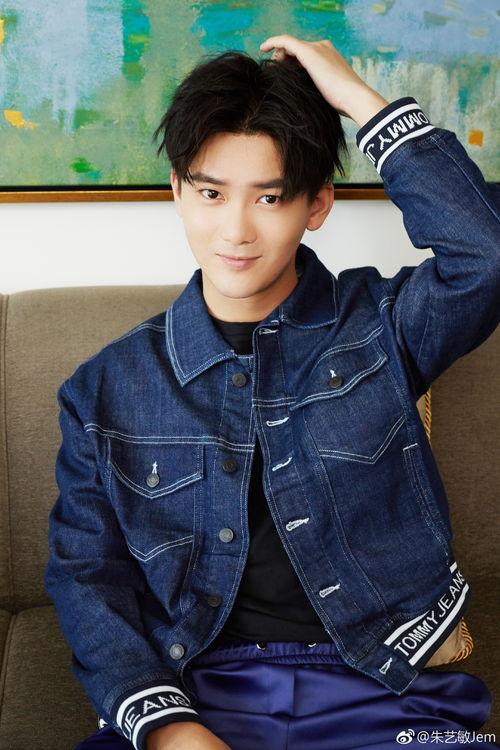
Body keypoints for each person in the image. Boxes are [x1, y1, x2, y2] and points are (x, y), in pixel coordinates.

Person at [44, 34, 500, 750]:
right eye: (211, 193)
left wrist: (357, 99)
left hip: (380, 691)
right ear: (177, 190)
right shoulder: (104, 390)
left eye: (270, 197)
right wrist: (168, 728)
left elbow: (486, 256)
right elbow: (87, 576)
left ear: (317, 204)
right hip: (194, 697)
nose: (236, 231)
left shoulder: (382, 327)